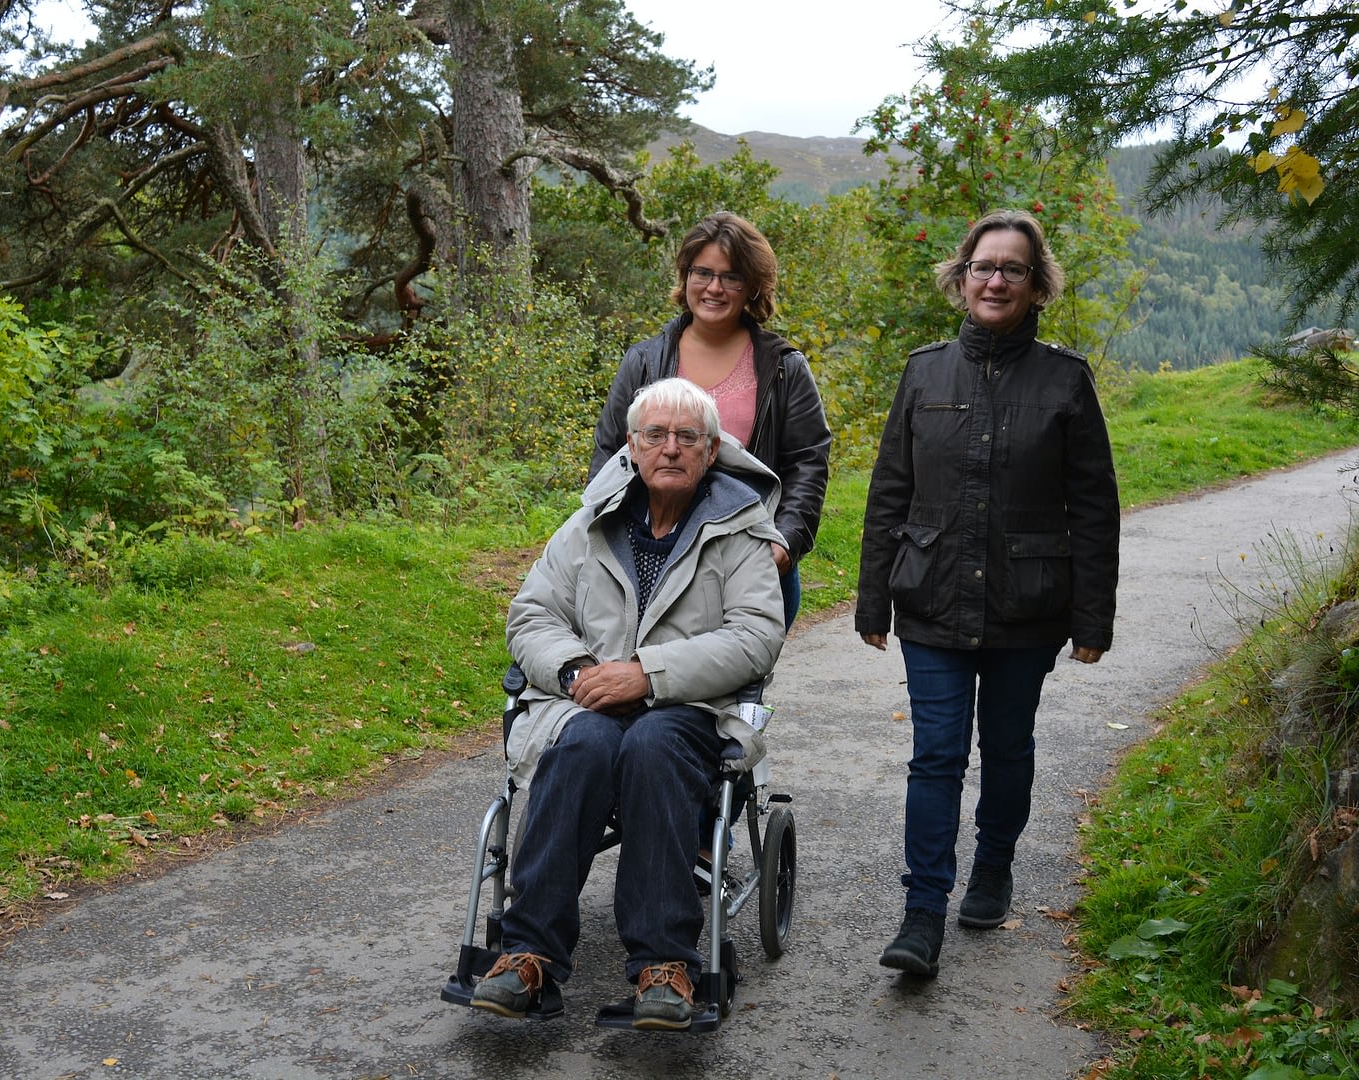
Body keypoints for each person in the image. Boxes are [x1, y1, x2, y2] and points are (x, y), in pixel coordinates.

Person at [471, 378, 786, 1030]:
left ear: (711, 451)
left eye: (687, 437)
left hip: (691, 711)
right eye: (655, 435)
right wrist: (577, 670)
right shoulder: (588, 524)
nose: (670, 448)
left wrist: (647, 676)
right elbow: (532, 615)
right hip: (586, 703)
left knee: (652, 744)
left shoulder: (741, 531)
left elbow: (756, 637)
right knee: (581, 745)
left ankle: (664, 965)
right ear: (631, 446)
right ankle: (527, 953)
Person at [856, 209, 1120, 977]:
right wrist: (873, 600)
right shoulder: (924, 371)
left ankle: (994, 866)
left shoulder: (1066, 380)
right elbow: (890, 490)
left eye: (1013, 269)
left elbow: (1094, 506)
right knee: (936, 755)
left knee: (1007, 747)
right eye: (983, 266)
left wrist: (1092, 617)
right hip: (931, 597)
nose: (996, 280)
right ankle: (921, 915)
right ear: (961, 278)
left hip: (1027, 604)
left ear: (1037, 286)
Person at [590, 211, 830, 630]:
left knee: (732, 668)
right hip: (650, 560)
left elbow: (808, 462)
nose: (714, 288)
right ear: (685, 276)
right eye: (702, 272)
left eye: (731, 276)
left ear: (752, 285)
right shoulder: (644, 361)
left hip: (748, 562)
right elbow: (610, 454)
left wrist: (786, 541)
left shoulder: (782, 368)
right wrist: (600, 531)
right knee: (644, 668)